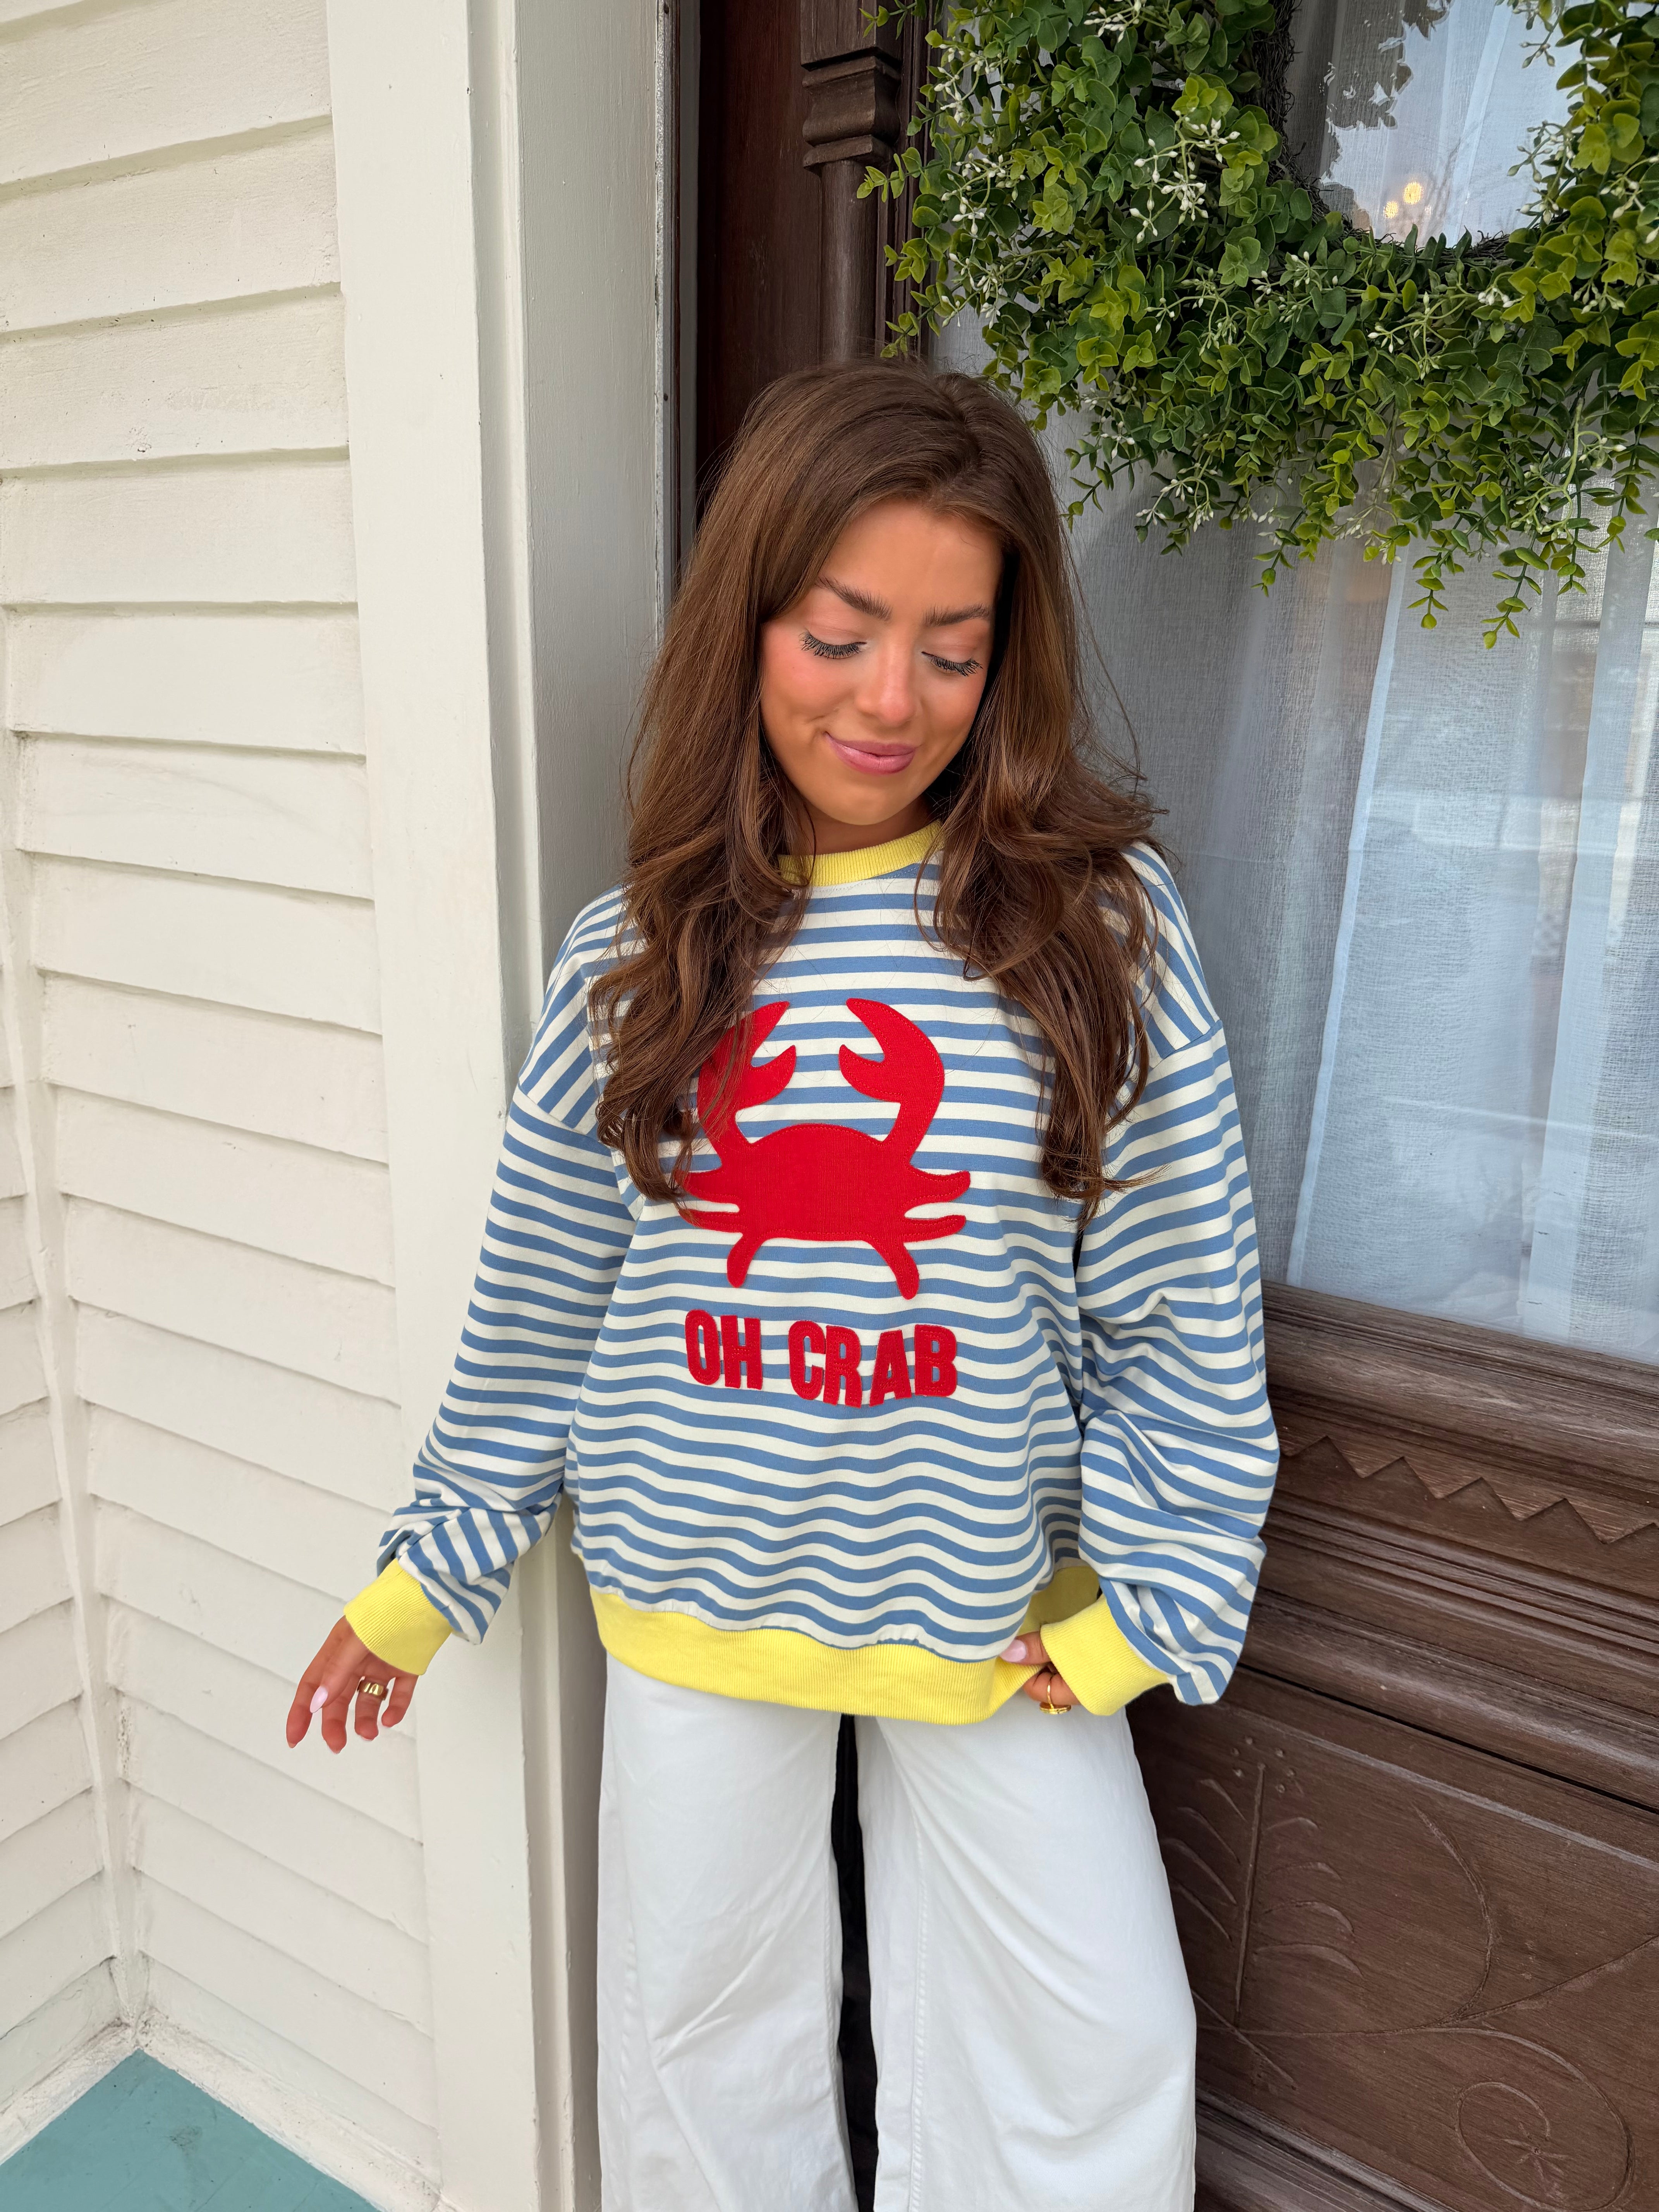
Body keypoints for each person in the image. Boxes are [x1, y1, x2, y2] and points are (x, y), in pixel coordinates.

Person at [287, 359, 1279, 2211]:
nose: (893, 700)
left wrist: (1154, 1595)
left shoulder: (1099, 939)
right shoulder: (637, 960)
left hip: (991, 1610)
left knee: (1096, 2050)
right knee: (698, 2053)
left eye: (954, 650)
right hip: (693, 1588)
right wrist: (432, 1571)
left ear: (1006, 662)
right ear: (748, 626)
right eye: (840, 635)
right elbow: (545, 1309)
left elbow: (1177, 1305)